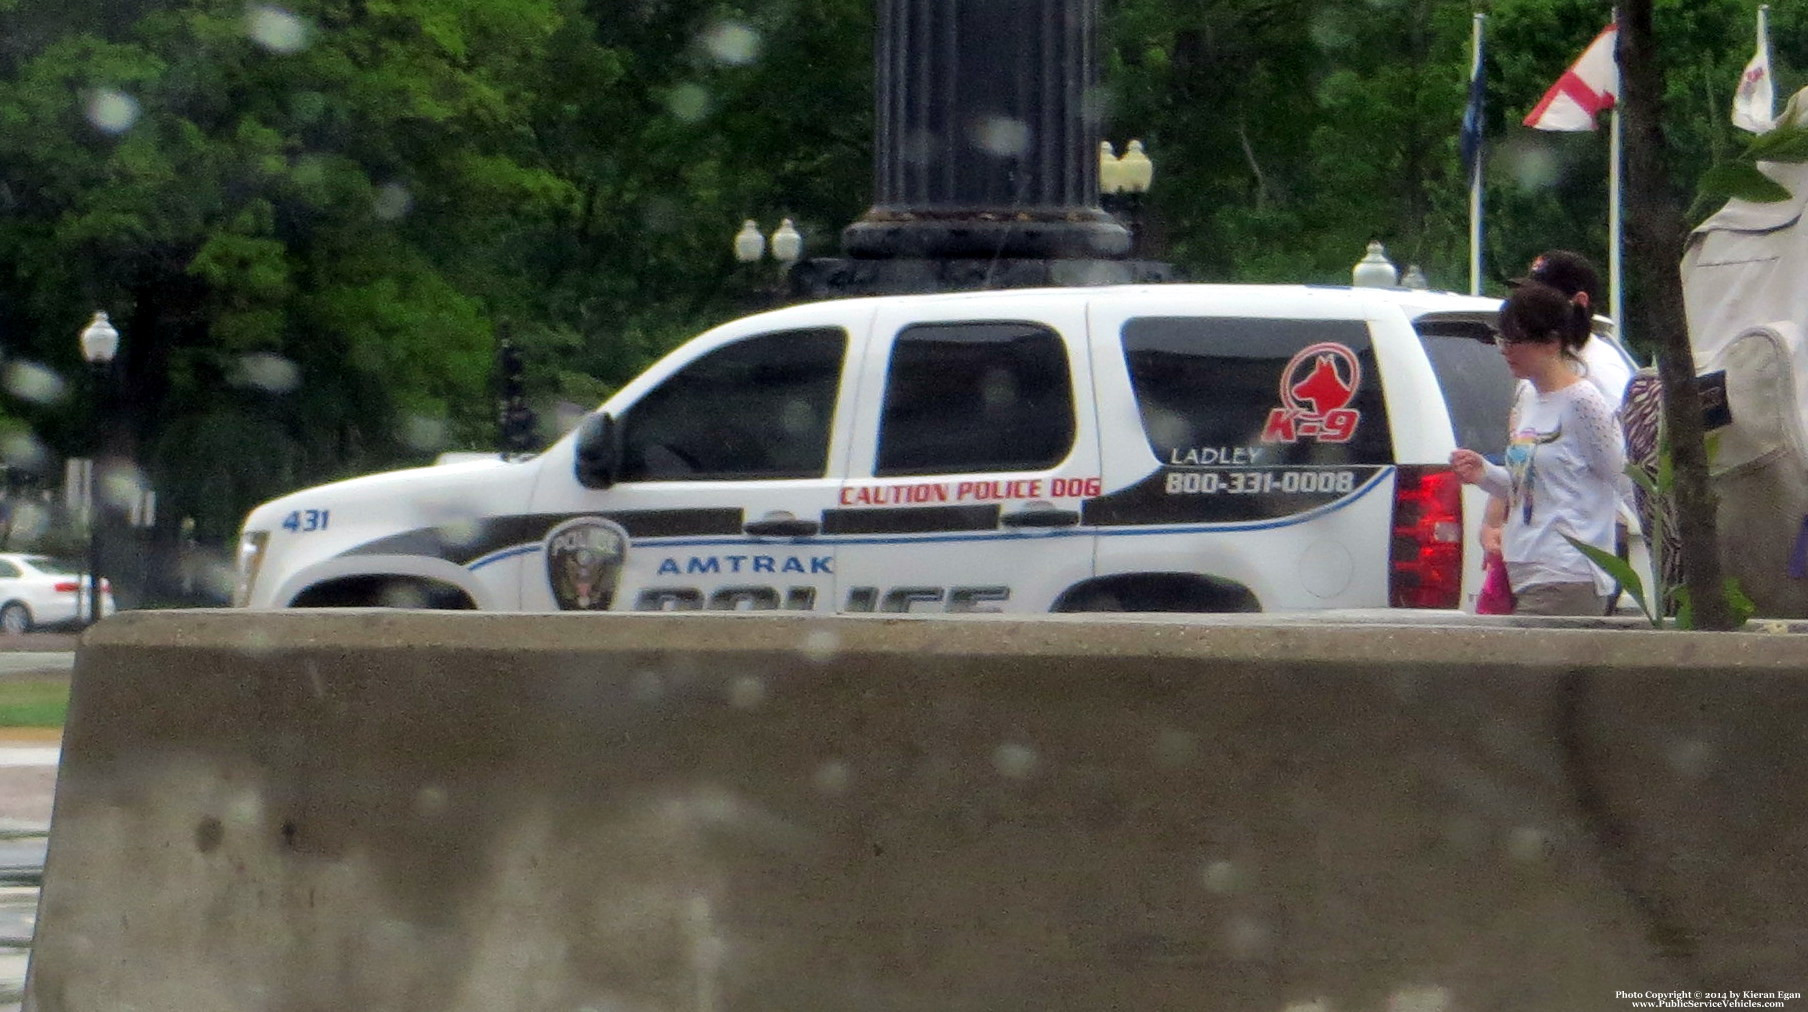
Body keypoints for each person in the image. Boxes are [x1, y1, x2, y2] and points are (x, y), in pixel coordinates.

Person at [1452, 282, 1628, 616]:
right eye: (1502, 339)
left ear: (1551, 341)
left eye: (1515, 340)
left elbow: (1617, 477)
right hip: (1523, 568)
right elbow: (1531, 487)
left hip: (1568, 571)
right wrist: (1485, 474)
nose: (1505, 350)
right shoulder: (1527, 396)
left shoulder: (1583, 401)